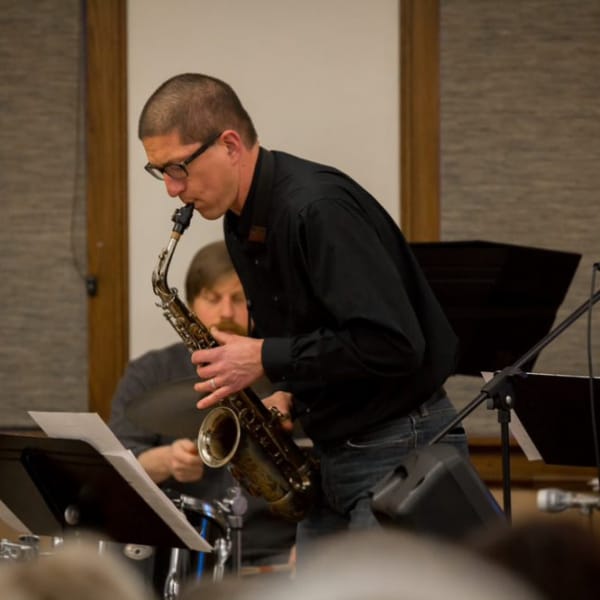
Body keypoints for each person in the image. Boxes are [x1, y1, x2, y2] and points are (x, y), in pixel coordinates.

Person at [137, 73, 469, 558]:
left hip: (398, 447)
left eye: (178, 168)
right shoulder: (238, 220)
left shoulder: (317, 209)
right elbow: (316, 331)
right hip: (332, 456)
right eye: (159, 172)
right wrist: (287, 395)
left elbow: (394, 342)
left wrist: (266, 359)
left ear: (229, 144)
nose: (171, 189)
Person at [109, 241, 297, 575]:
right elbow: (117, 466)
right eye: (213, 298)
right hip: (182, 558)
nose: (226, 312)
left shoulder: (290, 373)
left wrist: (315, 543)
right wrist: (166, 461)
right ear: (192, 304)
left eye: (238, 299)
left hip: (277, 556)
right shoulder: (149, 373)